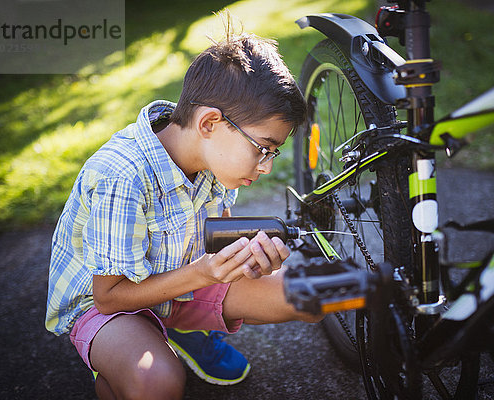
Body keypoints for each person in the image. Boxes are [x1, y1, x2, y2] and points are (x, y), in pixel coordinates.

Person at [45, 21, 321, 399]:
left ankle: (181, 330)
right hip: (110, 308)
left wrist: (244, 261)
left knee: (312, 297)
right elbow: (109, 296)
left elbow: (214, 248)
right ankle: (123, 363)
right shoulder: (121, 174)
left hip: (181, 284)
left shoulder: (215, 162)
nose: (267, 166)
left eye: (273, 153)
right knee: (156, 382)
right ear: (210, 122)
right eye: (263, 148)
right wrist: (205, 273)